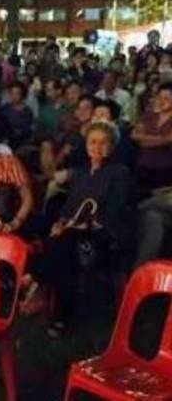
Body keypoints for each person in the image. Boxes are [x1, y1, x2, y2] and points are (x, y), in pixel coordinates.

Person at [32, 122, 134, 337]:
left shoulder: (120, 173)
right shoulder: (82, 173)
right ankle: (48, 296)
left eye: (103, 142)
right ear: (86, 146)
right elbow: (69, 208)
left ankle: (40, 287)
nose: (97, 147)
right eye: (92, 142)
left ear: (112, 146)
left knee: (62, 246)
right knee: (52, 236)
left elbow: (111, 214)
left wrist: (79, 225)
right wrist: (61, 223)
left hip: (103, 238)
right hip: (74, 233)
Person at [131, 83, 172, 192]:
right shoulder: (149, 115)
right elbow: (134, 135)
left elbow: (168, 140)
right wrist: (162, 139)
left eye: (167, 98)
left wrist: (144, 140)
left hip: (167, 170)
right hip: (143, 167)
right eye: (160, 97)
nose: (162, 101)